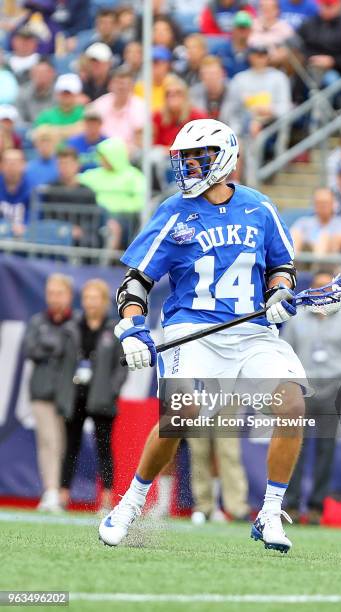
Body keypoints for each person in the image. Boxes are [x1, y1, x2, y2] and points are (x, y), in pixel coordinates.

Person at [98, 118, 308, 553]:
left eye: (199, 158)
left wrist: (279, 294)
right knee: (182, 413)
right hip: (191, 329)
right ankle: (131, 501)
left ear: (225, 158)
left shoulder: (259, 207)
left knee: (292, 405)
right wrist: (134, 329)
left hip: (251, 331)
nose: (189, 166)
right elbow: (136, 281)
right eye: (186, 159)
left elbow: (281, 269)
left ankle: (269, 511)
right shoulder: (174, 211)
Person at [282, 270, 341, 524]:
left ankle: (317, 507)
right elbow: (284, 352)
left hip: (333, 392)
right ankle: (292, 506)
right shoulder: (297, 320)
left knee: (326, 451)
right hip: (302, 391)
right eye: (318, 287)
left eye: (327, 287)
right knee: (295, 448)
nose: (323, 292)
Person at [60, 279, 127, 514]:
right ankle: (62, 496)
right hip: (75, 394)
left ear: (104, 300)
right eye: (87, 298)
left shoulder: (113, 328)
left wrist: (111, 391)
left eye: (95, 298)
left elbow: (122, 365)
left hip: (101, 397)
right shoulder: (73, 326)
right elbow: (64, 360)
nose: (90, 303)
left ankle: (107, 499)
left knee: (104, 448)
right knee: (70, 446)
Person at [24, 274, 76, 512]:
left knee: (62, 444)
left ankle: (56, 491)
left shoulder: (74, 323)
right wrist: (53, 344)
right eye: (50, 293)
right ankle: (51, 491)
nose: (54, 298)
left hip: (67, 393)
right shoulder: (38, 321)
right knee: (49, 441)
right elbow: (30, 348)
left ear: (68, 295)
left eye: (59, 293)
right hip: (41, 391)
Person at [78, 137, 146, 249]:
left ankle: (108, 260)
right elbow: (75, 181)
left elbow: (140, 200)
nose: (102, 160)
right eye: (101, 156)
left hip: (124, 218)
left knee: (113, 226)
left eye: (105, 156)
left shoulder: (134, 176)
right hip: (97, 215)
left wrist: (117, 207)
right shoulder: (93, 174)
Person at [223, 43, 292, 139]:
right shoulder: (240, 78)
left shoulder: (279, 77)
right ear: (250, 57)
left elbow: (285, 106)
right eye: (256, 55)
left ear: (267, 57)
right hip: (244, 123)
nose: (259, 58)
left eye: (263, 55)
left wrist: (271, 110)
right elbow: (231, 108)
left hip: (272, 123)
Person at [291, 187, 341, 254]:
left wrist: (321, 244)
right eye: (319, 202)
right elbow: (293, 238)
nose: (322, 206)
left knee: (325, 239)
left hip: (331, 261)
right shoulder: (303, 222)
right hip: (302, 259)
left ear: (334, 204)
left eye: (326, 202)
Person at [93, 67, 145, 152]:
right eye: (117, 83)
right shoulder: (100, 103)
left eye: (125, 83)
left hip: (129, 152)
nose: (121, 87)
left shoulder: (140, 106)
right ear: (110, 85)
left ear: (132, 86)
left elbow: (140, 138)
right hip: (101, 150)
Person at [34, 73, 85, 142]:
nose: (66, 96)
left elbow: (85, 130)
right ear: (57, 93)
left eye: (69, 93)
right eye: (63, 93)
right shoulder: (46, 115)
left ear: (77, 93)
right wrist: (73, 129)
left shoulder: (85, 112)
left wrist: (52, 130)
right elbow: (39, 133)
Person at [66, 105, 107, 171]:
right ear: (84, 123)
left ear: (100, 123)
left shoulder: (108, 143)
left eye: (95, 122)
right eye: (89, 122)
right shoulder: (73, 143)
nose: (92, 126)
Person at [189, 55, 230, 121]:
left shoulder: (234, 92)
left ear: (222, 73)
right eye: (206, 74)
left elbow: (237, 123)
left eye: (213, 73)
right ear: (201, 76)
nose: (210, 78)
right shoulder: (193, 94)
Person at [0, 148, 30, 236]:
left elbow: (35, 218)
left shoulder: (32, 190)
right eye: (7, 162)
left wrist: (26, 227)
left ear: (24, 165)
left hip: (24, 241)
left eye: (15, 162)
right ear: (1, 165)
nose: (11, 165)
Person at [17, 58, 55, 124]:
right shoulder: (23, 93)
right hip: (30, 129)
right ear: (31, 75)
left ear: (52, 74)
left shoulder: (59, 93)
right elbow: (19, 118)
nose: (41, 76)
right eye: (37, 73)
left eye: (45, 73)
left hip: (54, 130)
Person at [25, 126, 59, 191]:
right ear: (35, 144)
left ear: (55, 143)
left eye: (48, 141)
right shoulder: (28, 168)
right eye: (41, 142)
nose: (45, 145)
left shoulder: (62, 166)